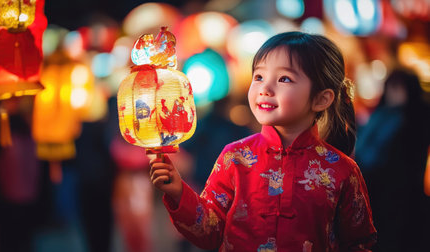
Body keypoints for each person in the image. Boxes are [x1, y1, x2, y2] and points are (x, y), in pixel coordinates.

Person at [149, 31, 377, 251]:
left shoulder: (342, 170)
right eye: (259, 77)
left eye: (284, 79)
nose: (265, 89)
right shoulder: (235, 156)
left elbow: (358, 244)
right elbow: (210, 231)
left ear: (321, 99)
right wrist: (179, 192)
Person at [355, 69, 430, 251]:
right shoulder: (381, 113)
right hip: (372, 181)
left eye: (398, 87)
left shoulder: (417, 117)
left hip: (401, 187)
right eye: (391, 87)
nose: (393, 92)